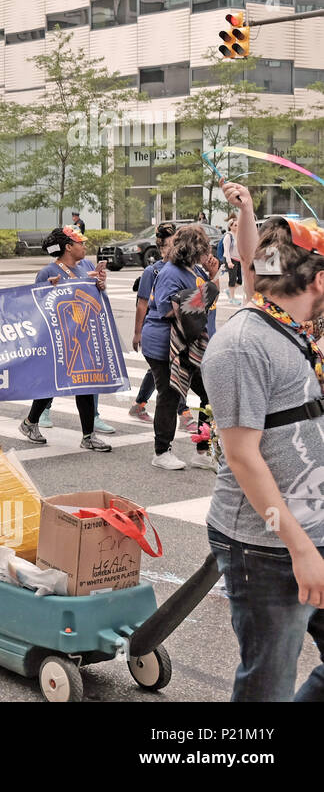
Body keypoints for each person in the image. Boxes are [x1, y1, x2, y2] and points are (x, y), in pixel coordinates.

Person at [204, 181, 324, 701]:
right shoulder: (242, 346)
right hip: (266, 547)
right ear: (319, 279)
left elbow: (256, 268)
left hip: (310, 530)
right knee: (268, 684)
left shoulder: (294, 329)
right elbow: (242, 456)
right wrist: (299, 546)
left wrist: (249, 210)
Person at [16, 226, 113, 452]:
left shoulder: (87, 266)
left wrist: (100, 284)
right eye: (80, 243)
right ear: (68, 247)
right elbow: (35, 305)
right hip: (58, 338)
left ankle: (88, 435)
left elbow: (95, 296)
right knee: (52, 382)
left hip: (84, 335)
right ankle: (30, 422)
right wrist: (50, 289)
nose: (85, 247)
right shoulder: (48, 271)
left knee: (85, 383)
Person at [141, 223, 218, 471]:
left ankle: (202, 450)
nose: (207, 254)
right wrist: (205, 294)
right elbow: (166, 309)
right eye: (203, 249)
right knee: (170, 395)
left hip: (187, 342)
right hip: (164, 342)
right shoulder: (170, 272)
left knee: (208, 393)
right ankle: (161, 452)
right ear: (194, 250)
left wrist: (211, 281)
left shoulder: (193, 269)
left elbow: (200, 298)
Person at [129, 223, 177, 422]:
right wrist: (137, 333)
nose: (173, 249)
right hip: (157, 329)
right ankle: (183, 414)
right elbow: (142, 304)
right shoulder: (153, 271)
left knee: (161, 370)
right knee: (168, 375)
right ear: (161, 248)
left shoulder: (184, 267)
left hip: (177, 332)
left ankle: (139, 403)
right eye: (169, 245)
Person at [224, 216, 243, 305]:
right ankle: (232, 298)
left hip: (238, 260)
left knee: (240, 281)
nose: (237, 227)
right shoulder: (228, 236)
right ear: (230, 226)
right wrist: (229, 262)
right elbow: (226, 250)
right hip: (230, 259)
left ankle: (229, 290)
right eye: (235, 225)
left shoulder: (239, 235)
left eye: (238, 225)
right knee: (232, 279)